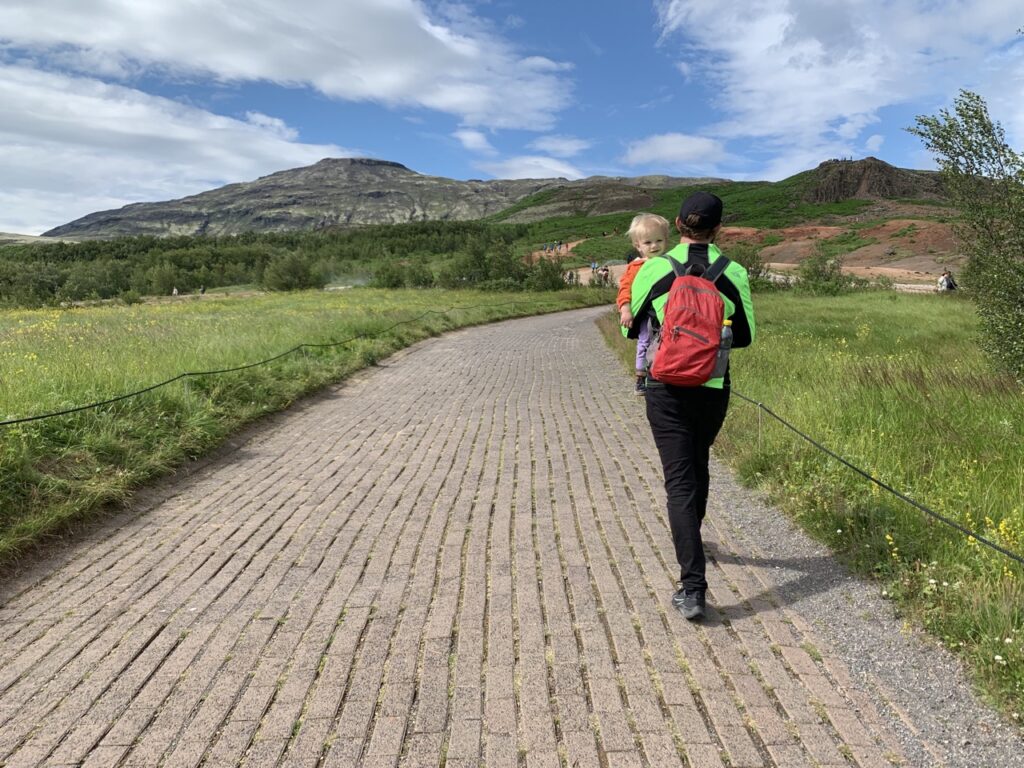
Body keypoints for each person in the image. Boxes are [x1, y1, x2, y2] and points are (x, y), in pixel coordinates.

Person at [623, 191, 755, 620]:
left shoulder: (655, 267)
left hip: (665, 386)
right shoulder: (732, 271)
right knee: (698, 465)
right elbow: (748, 336)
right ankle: (694, 548)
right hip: (712, 386)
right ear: (718, 229)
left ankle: (692, 587)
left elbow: (634, 329)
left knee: (678, 480)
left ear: (677, 226)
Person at [618, 215, 670, 395]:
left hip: (667, 313)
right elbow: (624, 290)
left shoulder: (671, 263)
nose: (654, 246)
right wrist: (625, 310)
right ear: (637, 245)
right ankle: (641, 378)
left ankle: (664, 373)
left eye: (659, 240)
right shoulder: (636, 267)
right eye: (648, 242)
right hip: (647, 314)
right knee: (645, 341)